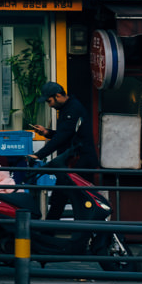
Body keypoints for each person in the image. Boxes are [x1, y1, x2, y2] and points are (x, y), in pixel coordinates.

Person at [35, 82, 99, 220]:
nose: (49, 105)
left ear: (58, 96)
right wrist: (47, 132)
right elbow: (66, 134)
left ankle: (79, 233)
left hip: (79, 162)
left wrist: (38, 155)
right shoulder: (68, 108)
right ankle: (53, 233)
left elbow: (63, 137)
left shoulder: (72, 109)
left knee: (75, 199)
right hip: (75, 162)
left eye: (49, 101)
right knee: (65, 199)